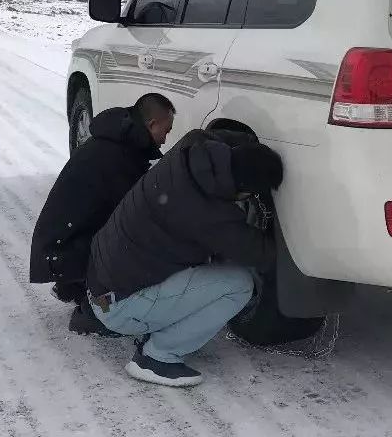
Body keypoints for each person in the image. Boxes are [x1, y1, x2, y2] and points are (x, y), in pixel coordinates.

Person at [86, 129, 283, 387]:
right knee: (238, 285)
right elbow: (264, 254)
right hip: (119, 307)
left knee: (212, 262)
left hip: (102, 283)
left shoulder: (192, 147)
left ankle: (156, 325)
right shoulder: (209, 215)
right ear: (243, 191)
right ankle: (157, 357)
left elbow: (226, 136)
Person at [30, 92, 176, 334]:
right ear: (151, 125)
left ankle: (74, 285)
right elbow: (132, 217)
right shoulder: (118, 156)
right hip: (60, 250)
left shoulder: (116, 143)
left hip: (62, 243)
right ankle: (91, 312)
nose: (165, 139)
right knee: (134, 243)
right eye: (166, 131)